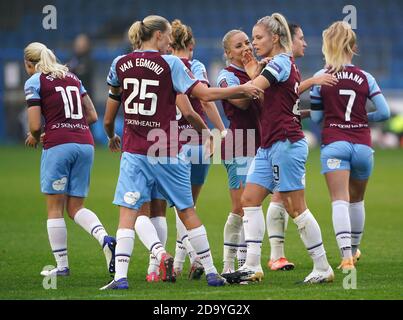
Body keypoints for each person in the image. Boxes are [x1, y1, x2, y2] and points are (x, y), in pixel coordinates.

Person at [100, 15, 262, 290]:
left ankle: (121, 278)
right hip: (166, 146)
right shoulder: (171, 64)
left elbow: (109, 113)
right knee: (187, 211)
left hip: (135, 149)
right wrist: (243, 87)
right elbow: (205, 96)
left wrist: (111, 135)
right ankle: (211, 272)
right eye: (166, 38)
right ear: (160, 36)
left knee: (128, 213)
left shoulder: (120, 63)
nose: (168, 42)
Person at [222, 13, 334, 284]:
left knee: (296, 208)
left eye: (258, 38)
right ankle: (252, 265)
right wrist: (254, 69)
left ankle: (323, 267)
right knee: (249, 199)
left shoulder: (280, 62)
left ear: (275, 38)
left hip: (286, 143)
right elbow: (261, 87)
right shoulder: (280, 63)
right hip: (269, 144)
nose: (253, 44)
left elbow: (254, 89)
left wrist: (211, 90)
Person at [23, 42, 116, 278]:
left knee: (55, 208)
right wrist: (70, 127)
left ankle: (62, 266)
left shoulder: (35, 81)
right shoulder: (73, 77)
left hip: (59, 146)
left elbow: (34, 126)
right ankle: (104, 239)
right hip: (85, 144)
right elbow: (93, 115)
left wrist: (36, 136)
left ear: (28, 64)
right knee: (76, 207)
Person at [310, 21, 390, 270]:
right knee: (357, 201)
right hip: (363, 146)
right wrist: (363, 119)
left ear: (327, 46)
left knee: (339, 200)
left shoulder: (320, 78)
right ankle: (354, 250)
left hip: (335, 143)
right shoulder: (366, 77)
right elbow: (385, 112)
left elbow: (315, 118)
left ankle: (345, 258)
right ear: (353, 48)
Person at [216, 30, 261, 274]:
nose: (245, 48)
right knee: (241, 207)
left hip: (261, 143)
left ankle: (248, 261)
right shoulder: (227, 76)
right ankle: (229, 265)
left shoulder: (259, 70)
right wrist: (257, 78)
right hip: (239, 144)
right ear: (227, 53)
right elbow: (241, 101)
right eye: (238, 46)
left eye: (247, 43)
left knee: (256, 206)